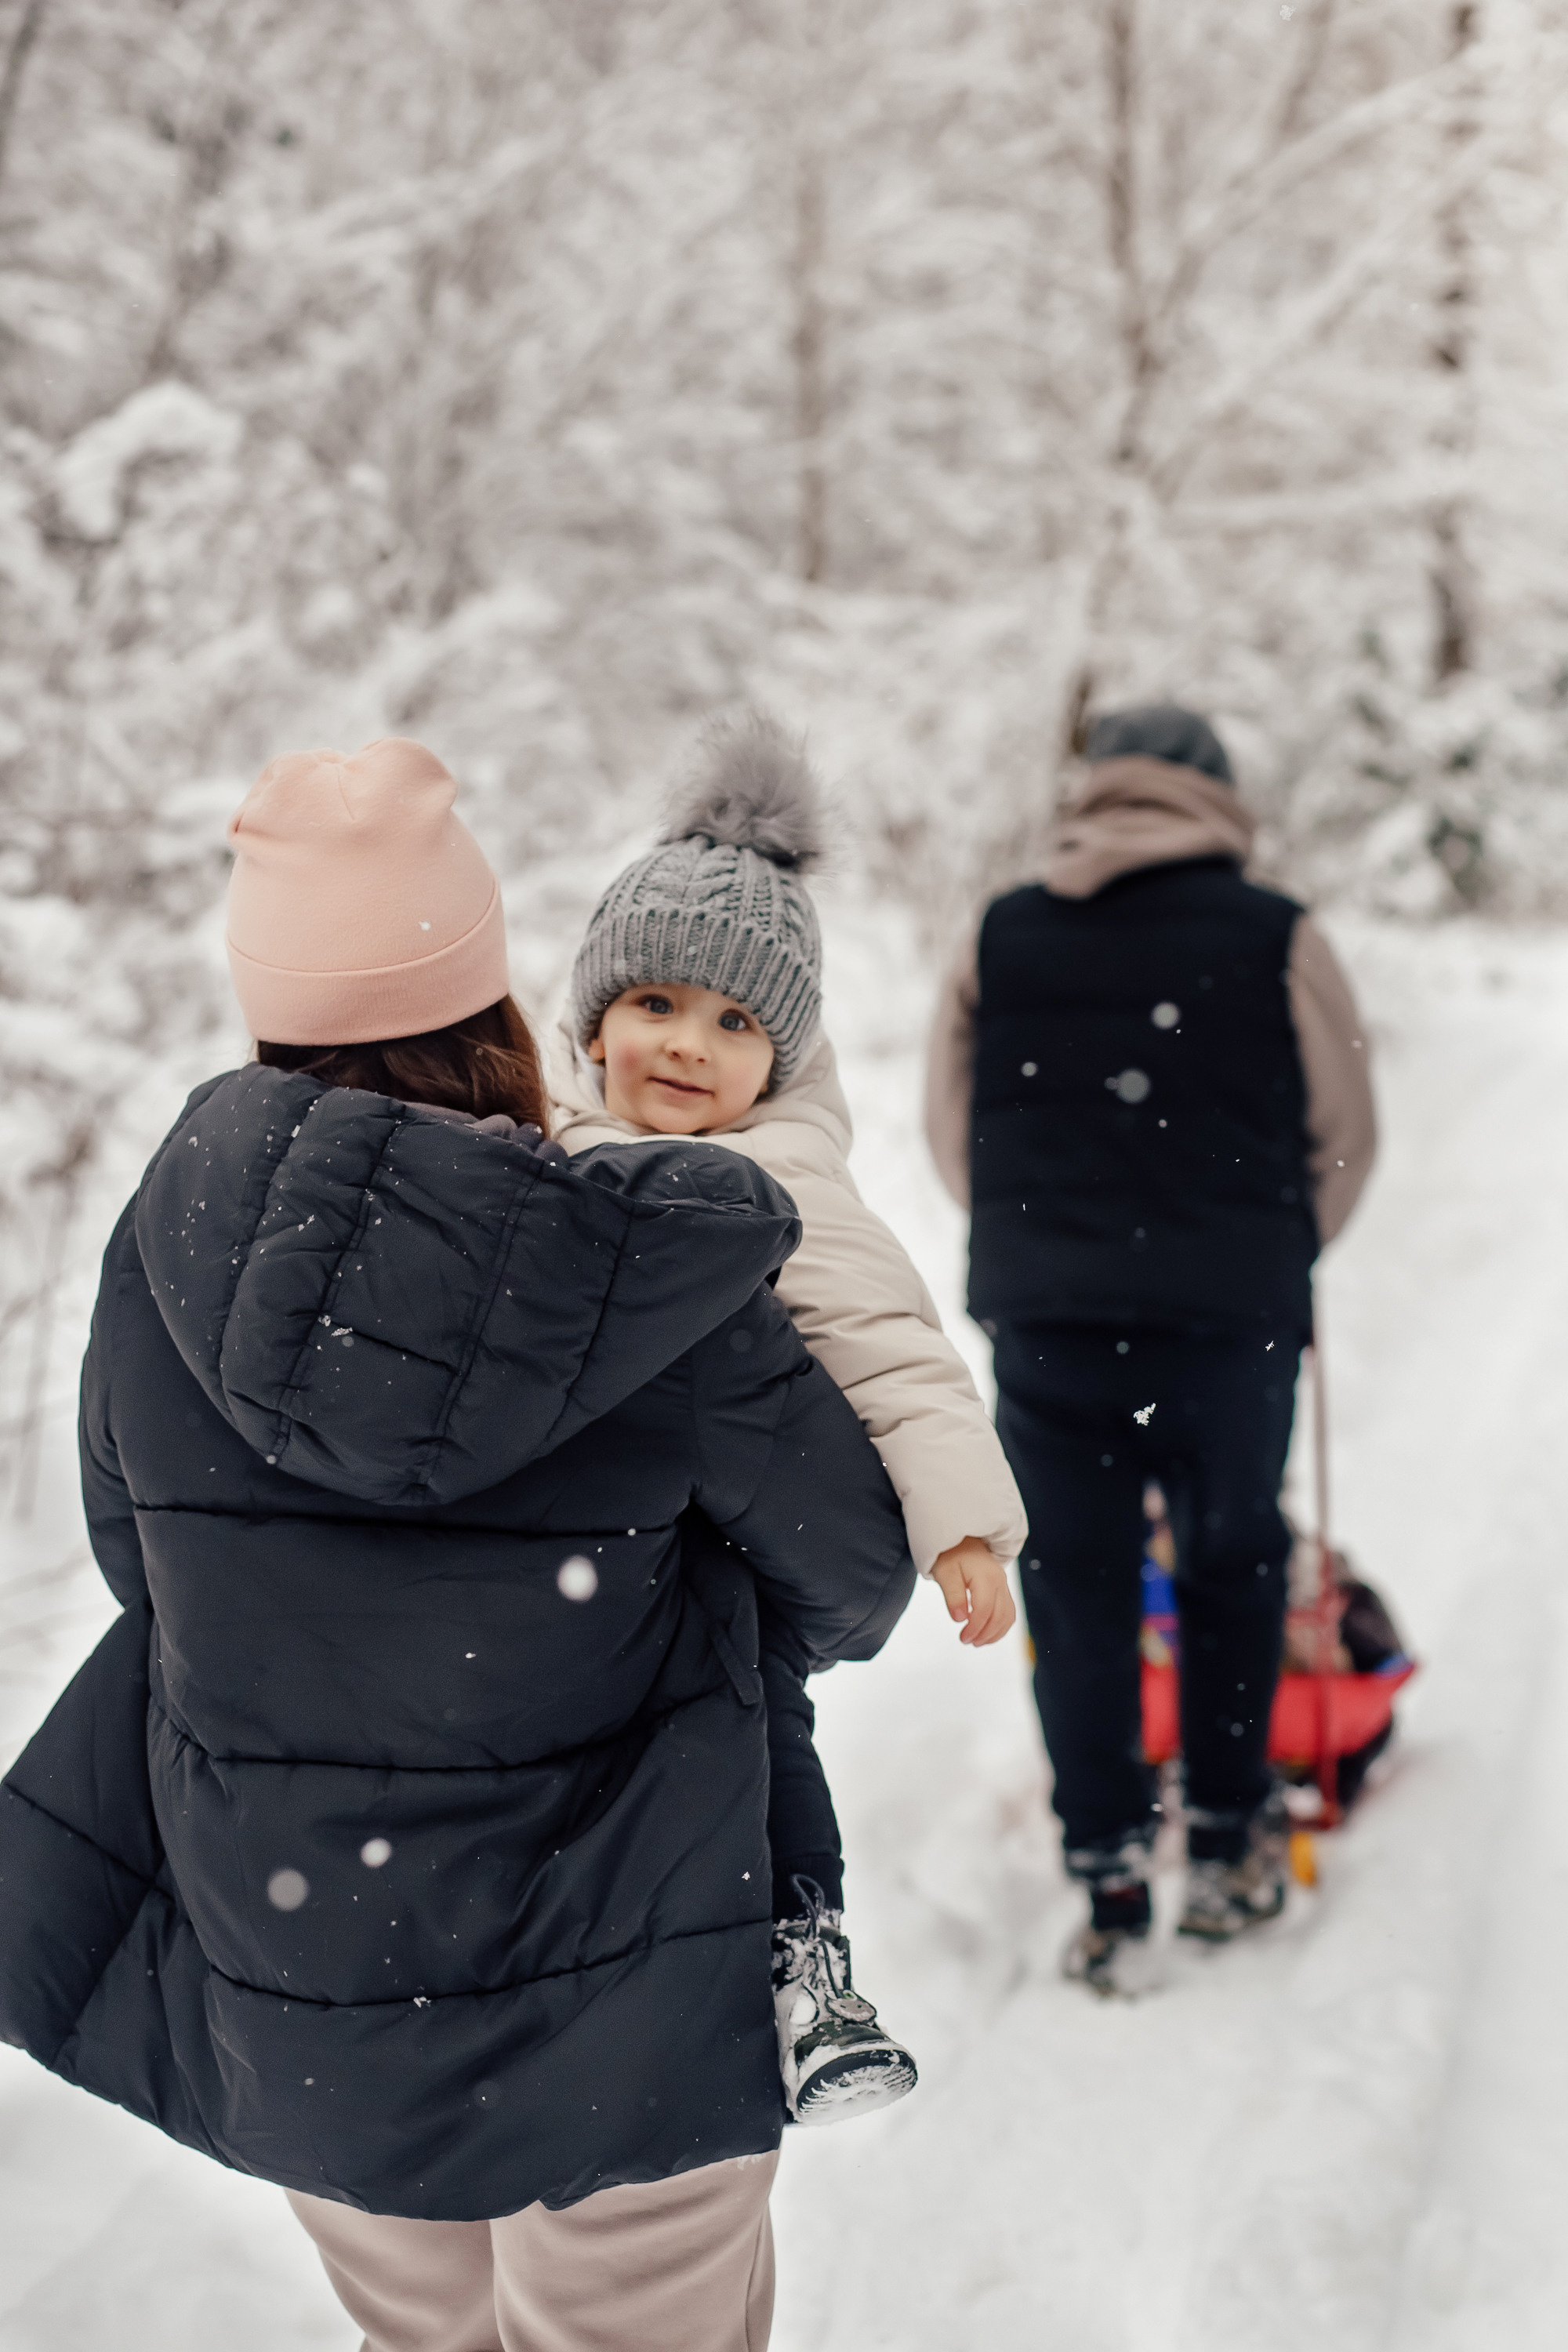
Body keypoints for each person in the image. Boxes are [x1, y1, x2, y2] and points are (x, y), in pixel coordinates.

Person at [0, 736, 916, 2350]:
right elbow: (851, 1574)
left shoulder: (167, 1244)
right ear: (500, 1002)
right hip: (628, 1994)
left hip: (312, 1989)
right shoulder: (640, 1267)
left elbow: (143, 1565)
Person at [550, 710, 1028, 2114]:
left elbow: (893, 1351)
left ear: (783, 1060)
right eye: (655, 1004)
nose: (687, 1046)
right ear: (593, 1018)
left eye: (736, 1021)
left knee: (753, 1713)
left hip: (715, 1554)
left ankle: (804, 1960)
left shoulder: (786, 1182)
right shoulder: (533, 1145)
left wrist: (960, 1527)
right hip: (566, 1543)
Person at [924, 704, 1377, 1994]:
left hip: (1052, 1327)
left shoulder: (1001, 933)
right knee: (1233, 1562)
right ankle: (1228, 1842)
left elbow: (952, 1130)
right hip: (1230, 1324)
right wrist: (1278, 1248)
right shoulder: (1281, 936)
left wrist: (1045, 1248)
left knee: (1078, 1588)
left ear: (1094, 792)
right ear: (1215, 798)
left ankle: (1111, 1872)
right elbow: (1347, 1130)